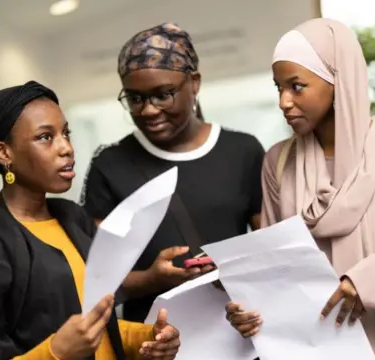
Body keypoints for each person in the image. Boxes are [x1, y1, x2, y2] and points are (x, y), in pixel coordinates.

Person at [224, 18, 375, 359]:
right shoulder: (279, 163)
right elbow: (276, 274)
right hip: (318, 349)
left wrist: (371, 280)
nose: (284, 102)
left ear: (338, 80)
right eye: (278, 88)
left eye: (296, 86)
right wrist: (249, 310)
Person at [0, 81, 181, 360]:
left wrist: (147, 337)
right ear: (4, 153)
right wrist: (55, 353)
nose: (66, 148)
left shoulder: (73, 218)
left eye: (66, 133)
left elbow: (95, 327)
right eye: (45, 137)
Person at [80, 23, 265, 322]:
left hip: (237, 329)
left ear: (194, 83)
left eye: (163, 94)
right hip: (154, 339)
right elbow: (94, 276)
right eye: (135, 98)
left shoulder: (242, 150)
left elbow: (269, 251)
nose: (148, 110)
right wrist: (152, 280)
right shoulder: (110, 165)